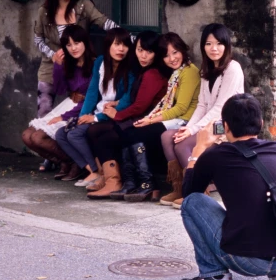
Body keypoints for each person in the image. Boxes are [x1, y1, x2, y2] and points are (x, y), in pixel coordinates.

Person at [177, 94, 276, 280]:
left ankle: (214, 277)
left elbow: (190, 192)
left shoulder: (216, 155)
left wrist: (200, 148)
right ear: (261, 123)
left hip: (246, 262)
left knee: (192, 202)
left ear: (225, 126)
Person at [32, 0, 116, 171]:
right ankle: (50, 156)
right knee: (45, 109)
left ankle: (73, 160)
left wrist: (124, 36)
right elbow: (37, 38)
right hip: (53, 66)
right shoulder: (45, 11)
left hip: (80, 66)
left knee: (79, 104)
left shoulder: (82, 6)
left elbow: (103, 22)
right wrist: (54, 56)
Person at [158, 23, 245, 208]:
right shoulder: (206, 70)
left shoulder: (233, 68)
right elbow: (202, 105)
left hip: (227, 125)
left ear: (226, 45)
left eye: (219, 43)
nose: (214, 48)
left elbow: (220, 108)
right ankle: (180, 187)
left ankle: (197, 191)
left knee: (182, 144)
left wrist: (192, 130)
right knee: (167, 137)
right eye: (208, 44)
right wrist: (189, 127)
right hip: (209, 122)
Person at [86, 31, 168, 199]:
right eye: (139, 50)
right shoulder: (142, 70)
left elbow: (140, 106)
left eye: (149, 51)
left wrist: (117, 115)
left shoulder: (153, 73)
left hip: (151, 120)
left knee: (108, 134)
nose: (143, 56)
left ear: (156, 53)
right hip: (142, 118)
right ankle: (122, 181)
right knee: (99, 131)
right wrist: (116, 105)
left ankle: (134, 182)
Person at [119, 33, 201, 202]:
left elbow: (181, 108)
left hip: (184, 120)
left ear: (183, 50)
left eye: (175, 52)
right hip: (173, 118)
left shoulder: (189, 72)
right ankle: (133, 181)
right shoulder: (177, 72)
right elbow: (168, 104)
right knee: (128, 132)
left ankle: (148, 183)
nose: (171, 58)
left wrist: (151, 120)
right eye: (166, 55)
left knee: (134, 134)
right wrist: (151, 118)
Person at [67, 28, 135, 196]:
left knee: (91, 130)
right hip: (98, 113)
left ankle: (109, 177)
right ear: (108, 45)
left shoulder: (131, 68)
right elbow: (92, 91)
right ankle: (102, 175)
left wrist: (96, 118)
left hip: (115, 116)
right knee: (66, 132)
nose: (121, 49)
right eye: (117, 44)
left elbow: (126, 101)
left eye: (125, 45)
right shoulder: (100, 62)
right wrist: (84, 114)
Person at [21, 25, 95, 180]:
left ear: (85, 43)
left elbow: (94, 98)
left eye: (77, 43)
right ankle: (66, 162)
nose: (73, 48)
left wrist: (64, 117)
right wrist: (58, 65)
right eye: (68, 45)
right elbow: (61, 89)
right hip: (70, 103)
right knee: (27, 136)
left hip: (86, 108)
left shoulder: (96, 64)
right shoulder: (70, 64)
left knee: (38, 137)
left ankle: (76, 163)